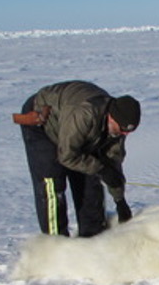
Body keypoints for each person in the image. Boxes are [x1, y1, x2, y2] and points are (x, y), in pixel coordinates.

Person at [15, 80, 140, 237]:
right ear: (111, 117)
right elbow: (67, 156)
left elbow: (112, 165)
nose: (124, 135)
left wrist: (120, 201)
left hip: (77, 130)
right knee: (53, 183)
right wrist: (100, 168)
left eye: (128, 132)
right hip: (43, 124)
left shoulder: (117, 129)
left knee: (91, 179)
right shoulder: (83, 115)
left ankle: (93, 238)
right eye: (122, 130)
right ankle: (56, 245)